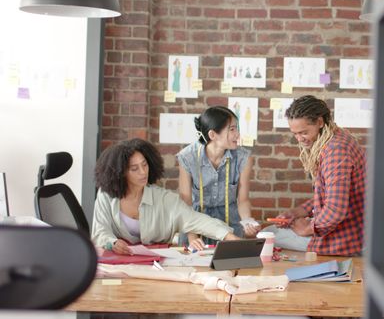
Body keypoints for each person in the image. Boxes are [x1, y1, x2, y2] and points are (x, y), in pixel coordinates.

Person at [92, 138, 239, 255]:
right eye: (134, 169)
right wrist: (113, 243)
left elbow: (195, 220)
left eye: (145, 165)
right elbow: (100, 231)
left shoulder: (164, 199)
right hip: (118, 263)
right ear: (120, 173)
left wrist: (228, 236)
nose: (143, 172)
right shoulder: (106, 196)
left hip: (155, 264)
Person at [272, 95, 366, 256]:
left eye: (304, 132)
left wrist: (308, 228)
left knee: (270, 234)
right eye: (295, 134)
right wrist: (298, 212)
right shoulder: (337, 138)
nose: (299, 139)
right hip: (353, 229)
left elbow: (335, 210)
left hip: (347, 238)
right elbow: (330, 196)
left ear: (320, 122)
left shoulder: (336, 152)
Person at [177, 106, 259, 250]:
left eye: (237, 129)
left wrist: (247, 221)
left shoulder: (243, 157)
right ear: (213, 135)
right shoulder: (187, 157)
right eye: (232, 129)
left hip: (230, 227)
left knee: (232, 269)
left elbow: (243, 199)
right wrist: (192, 236)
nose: (237, 135)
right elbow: (186, 202)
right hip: (195, 225)